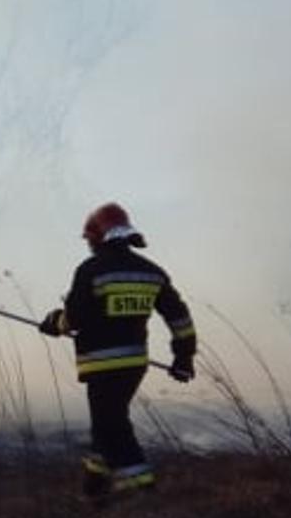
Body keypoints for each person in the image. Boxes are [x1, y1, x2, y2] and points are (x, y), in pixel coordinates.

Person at [39, 203, 197, 498]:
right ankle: (95, 489)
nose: (88, 244)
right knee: (107, 424)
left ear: (98, 237)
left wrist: (53, 322)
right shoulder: (151, 272)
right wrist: (184, 356)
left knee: (113, 427)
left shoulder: (91, 270)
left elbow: (76, 318)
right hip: (134, 365)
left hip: (101, 364)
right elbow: (179, 317)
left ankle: (140, 492)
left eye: (89, 239)